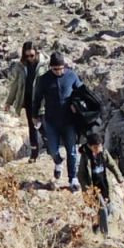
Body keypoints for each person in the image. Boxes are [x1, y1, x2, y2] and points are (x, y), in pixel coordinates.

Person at [31, 52, 84, 191]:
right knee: (53, 149)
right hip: (51, 121)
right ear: (50, 68)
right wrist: (34, 115)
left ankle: (73, 178)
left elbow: (82, 92)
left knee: (72, 150)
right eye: (55, 69)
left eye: (61, 68)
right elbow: (37, 98)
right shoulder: (44, 79)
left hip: (69, 121)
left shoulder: (72, 76)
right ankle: (58, 161)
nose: (59, 72)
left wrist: (77, 105)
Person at [3, 41, 46, 163]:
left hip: (41, 101)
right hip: (27, 100)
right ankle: (34, 154)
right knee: (32, 127)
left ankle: (50, 148)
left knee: (43, 126)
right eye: (26, 56)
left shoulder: (43, 65)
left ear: (36, 53)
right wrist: (9, 102)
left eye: (31, 55)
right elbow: (15, 84)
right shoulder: (21, 66)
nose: (29, 58)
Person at [76, 132, 124, 224]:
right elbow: (81, 175)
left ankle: (107, 226)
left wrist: (121, 180)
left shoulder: (103, 152)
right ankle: (97, 229)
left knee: (108, 206)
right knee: (95, 209)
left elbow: (113, 166)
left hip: (104, 183)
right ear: (90, 146)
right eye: (96, 147)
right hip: (92, 186)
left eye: (100, 146)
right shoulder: (85, 157)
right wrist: (86, 189)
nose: (98, 149)